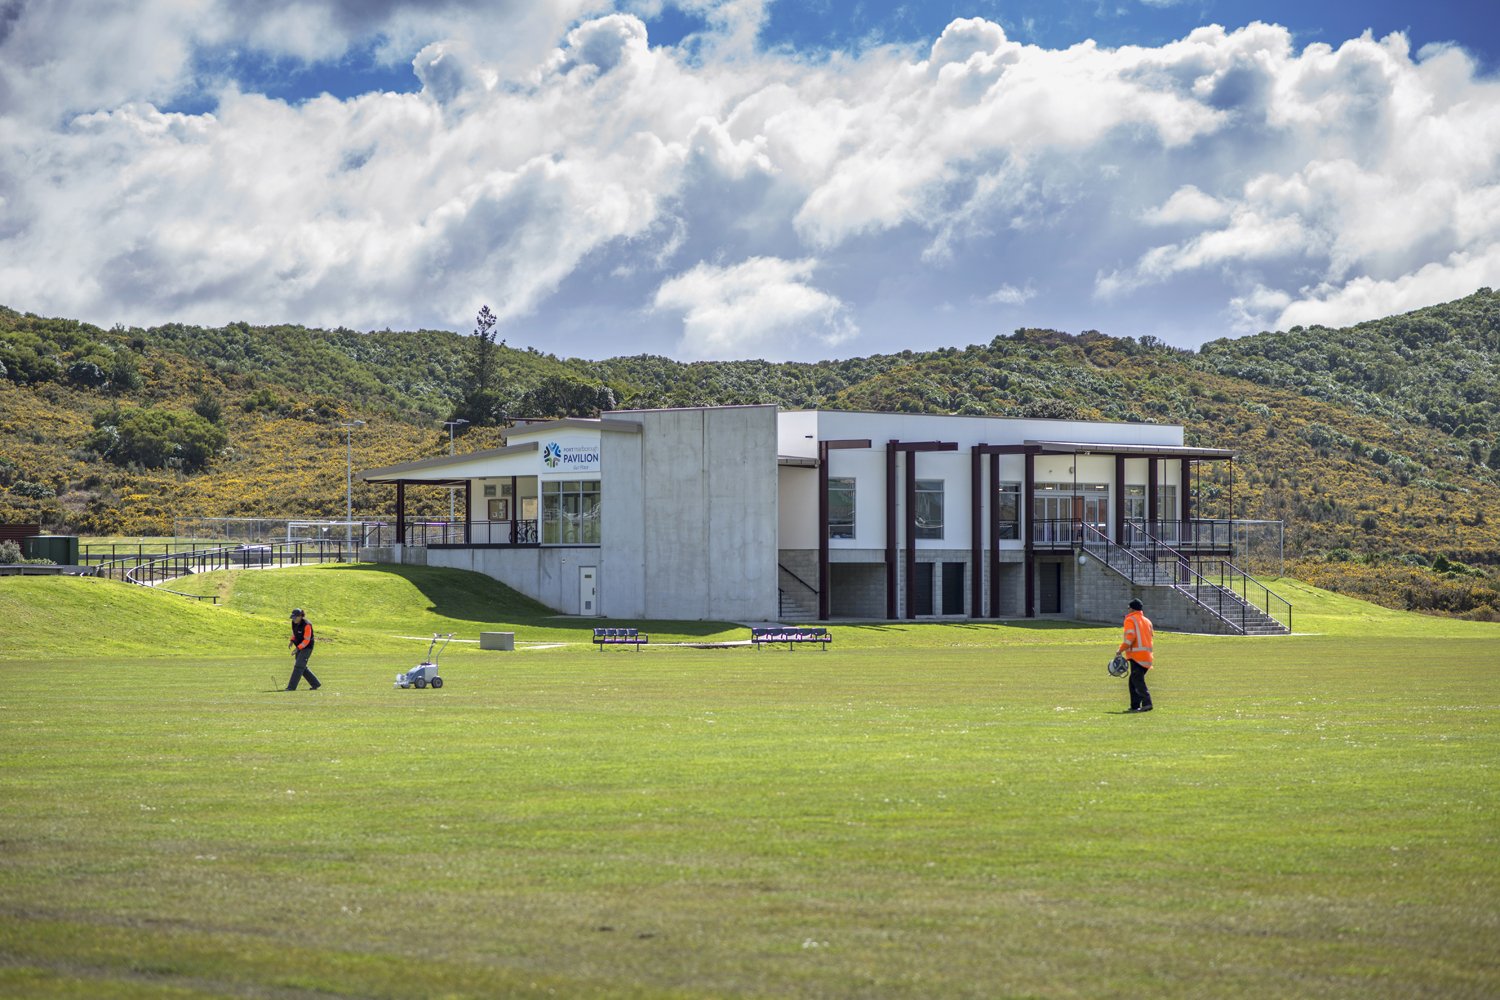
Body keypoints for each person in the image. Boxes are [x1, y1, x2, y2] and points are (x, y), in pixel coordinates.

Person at [1118, 598, 1153, 712]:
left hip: (1136, 656)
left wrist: (1120, 650)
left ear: (1132, 608)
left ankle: (1147, 703)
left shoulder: (1130, 619)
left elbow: (1130, 638)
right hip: (1147, 655)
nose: (1128, 610)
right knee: (1133, 681)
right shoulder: (1147, 621)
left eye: (1128, 608)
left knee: (1137, 681)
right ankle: (1134, 705)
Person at [286, 608, 321, 691]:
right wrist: (292, 640)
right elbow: (294, 633)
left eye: (295, 617)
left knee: (298, 666)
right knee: (302, 666)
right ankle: (315, 683)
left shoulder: (307, 625)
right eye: (292, 617)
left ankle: (291, 687)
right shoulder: (294, 623)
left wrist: (297, 648)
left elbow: (306, 640)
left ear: (300, 616)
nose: (293, 619)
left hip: (307, 648)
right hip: (299, 647)